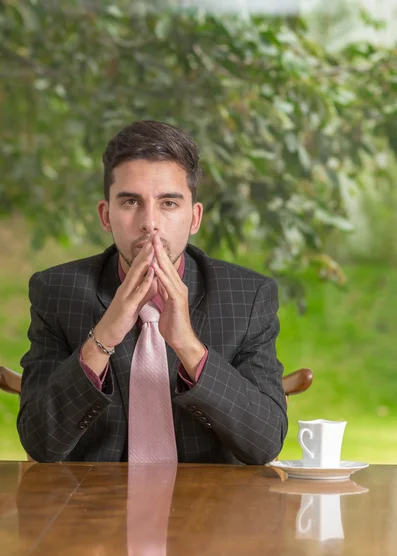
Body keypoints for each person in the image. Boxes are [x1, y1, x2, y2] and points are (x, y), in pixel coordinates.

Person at [17, 120, 287, 464]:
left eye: (169, 203)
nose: (150, 222)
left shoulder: (249, 297)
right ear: (106, 214)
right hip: (95, 509)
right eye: (131, 202)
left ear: (194, 218)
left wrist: (188, 345)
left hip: (208, 509)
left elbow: (264, 443)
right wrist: (104, 336)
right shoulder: (56, 292)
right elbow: (40, 444)